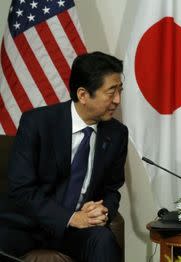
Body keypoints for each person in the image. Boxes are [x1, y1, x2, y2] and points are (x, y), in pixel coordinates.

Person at [0, 52, 128, 262]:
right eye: (111, 92)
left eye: (120, 91)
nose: (117, 100)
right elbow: (21, 189)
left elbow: (112, 189)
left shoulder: (117, 134)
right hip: (27, 225)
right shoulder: (37, 123)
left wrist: (102, 208)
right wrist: (69, 218)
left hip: (76, 231)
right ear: (83, 95)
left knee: (103, 240)